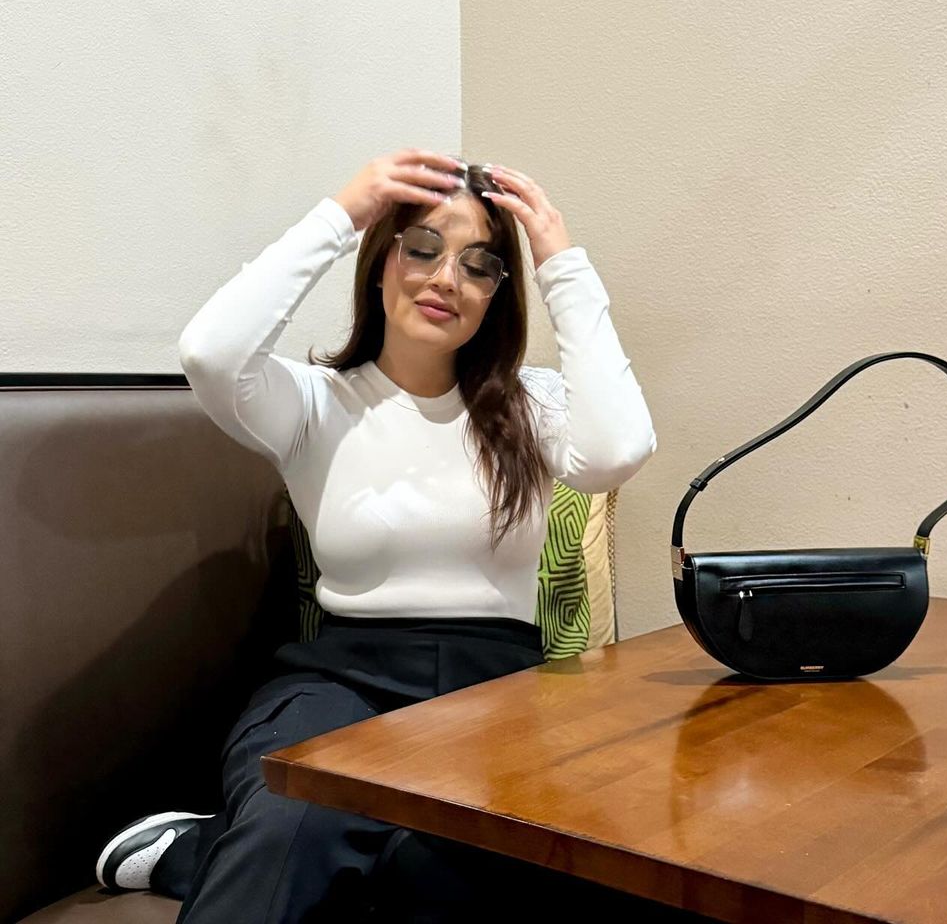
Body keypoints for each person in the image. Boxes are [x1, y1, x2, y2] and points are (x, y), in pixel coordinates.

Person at [95, 150, 658, 921]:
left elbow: (620, 449)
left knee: (448, 867)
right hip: (342, 682)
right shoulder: (314, 404)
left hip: (501, 692)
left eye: (479, 264)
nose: (446, 278)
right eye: (421, 248)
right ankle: (237, 839)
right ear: (381, 260)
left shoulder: (534, 406)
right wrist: (343, 213)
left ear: (496, 292)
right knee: (293, 819)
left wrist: (560, 259)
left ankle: (197, 852)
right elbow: (209, 352)